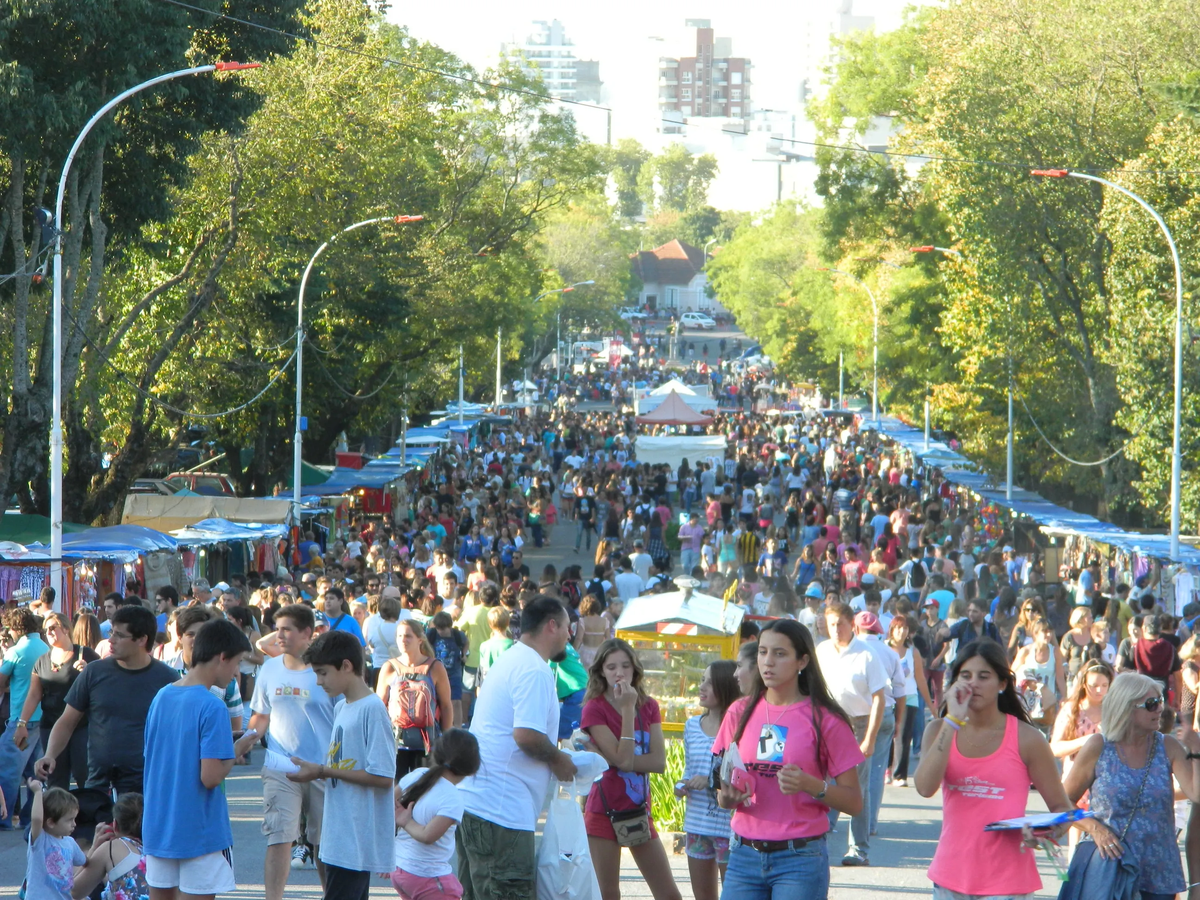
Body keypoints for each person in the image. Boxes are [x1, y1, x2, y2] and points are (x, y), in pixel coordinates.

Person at [713, 620, 866, 900]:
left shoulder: (826, 720)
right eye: (762, 652)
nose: (768, 662)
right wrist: (727, 798)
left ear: (802, 661)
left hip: (800, 859)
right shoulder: (739, 712)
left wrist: (812, 785)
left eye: (780, 653)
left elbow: (855, 802)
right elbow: (720, 789)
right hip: (743, 855)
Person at [915, 640, 1075, 900]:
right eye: (965, 676)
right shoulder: (938, 730)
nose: (973, 683)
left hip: (1008, 883)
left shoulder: (1028, 739)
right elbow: (924, 787)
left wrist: (1045, 832)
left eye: (984, 676)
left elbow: (1062, 809)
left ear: (1002, 684)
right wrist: (952, 721)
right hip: (950, 878)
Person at [455, 596, 577, 900]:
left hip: (481, 805)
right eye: (566, 627)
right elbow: (526, 735)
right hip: (502, 813)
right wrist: (560, 759)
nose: (569, 635)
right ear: (552, 626)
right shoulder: (533, 669)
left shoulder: (513, 658)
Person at [142, 618, 256, 900]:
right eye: (237, 662)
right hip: (199, 829)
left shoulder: (161, 696)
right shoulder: (212, 705)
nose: (236, 672)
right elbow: (211, 776)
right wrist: (238, 748)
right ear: (222, 657)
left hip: (159, 825)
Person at [1062, 672, 1200, 900]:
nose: (1160, 710)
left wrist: (1194, 750)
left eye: (1161, 702)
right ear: (1125, 707)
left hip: (1158, 874)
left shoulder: (1168, 746)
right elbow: (1062, 802)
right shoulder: (1098, 746)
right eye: (1151, 704)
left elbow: (1196, 793)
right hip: (1110, 870)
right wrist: (1095, 829)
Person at [289, 630, 397, 900]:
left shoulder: (372, 709)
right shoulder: (342, 707)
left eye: (323, 673)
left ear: (347, 665)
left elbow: (383, 775)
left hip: (355, 837)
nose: (319, 681)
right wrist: (318, 770)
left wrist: (323, 771)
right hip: (338, 832)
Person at [36, 605, 179, 796]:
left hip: (145, 785)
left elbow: (176, 732)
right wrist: (50, 755)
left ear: (142, 639)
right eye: (112, 632)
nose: (110, 640)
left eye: (119, 635)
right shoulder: (94, 672)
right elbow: (67, 721)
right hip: (99, 783)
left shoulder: (167, 679)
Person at [247, 604, 337, 898]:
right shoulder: (270, 669)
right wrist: (246, 740)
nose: (279, 635)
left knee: (324, 842)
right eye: (277, 628)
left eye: (286, 629)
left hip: (323, 767)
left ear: (307, 633)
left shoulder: (325, 671)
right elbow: (261, 716)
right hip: (280, 765)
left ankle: (330, 894)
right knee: (279, 836)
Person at [581, 638, 680, 900]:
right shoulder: (595, 708)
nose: (619, 672)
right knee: (609, 893)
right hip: (603, 809)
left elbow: (657, 761)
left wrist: (610, 757)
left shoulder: (649, 706)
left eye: (625, 665)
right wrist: (626, 710)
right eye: (611, 667)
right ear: (601, 671)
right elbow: (624, 760)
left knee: (669, 894)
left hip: (637, 809)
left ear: (635, 669)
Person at [815, 602, 886, 866]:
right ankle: (817, 835)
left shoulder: (867, 654)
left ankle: (859, 848)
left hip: (857, 724)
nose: (835, 629)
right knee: (821, 781)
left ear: (851, 624)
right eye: (831, 624)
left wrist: (869, 737)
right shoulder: (821, 651)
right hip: (826, 723)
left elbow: (879, 698)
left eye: (840, 624)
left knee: (858, 788)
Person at [13, 613, 98, 793]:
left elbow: (105, 683)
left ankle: (87, 818)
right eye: (46, 629)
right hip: (51, 726)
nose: (49, 632)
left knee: (84, 776)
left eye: (53, 628)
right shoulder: (42, 661)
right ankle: (57, 819)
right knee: (55, 779)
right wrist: (22, 723)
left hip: (81, 726)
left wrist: (90, 671)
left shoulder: (85, 654)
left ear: (66, 628)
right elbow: (34, 695)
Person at [390, 728, 479, 900]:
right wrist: (406, 821)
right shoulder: (453, 799)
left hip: (400, 870)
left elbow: (388, 805)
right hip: (428, 877)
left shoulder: (416, 775)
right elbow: (427, 835)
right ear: (472, 768)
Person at [677, 660, 738, 900]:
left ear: (726, 686)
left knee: (733, 894)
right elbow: (689, 769)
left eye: (710, 683)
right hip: (696, 825)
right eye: (702, 680)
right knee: (702, 895)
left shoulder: (740, 728)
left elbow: (744, 778)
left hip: (728, 828)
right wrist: (682, 785)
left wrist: (711, 782)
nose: (701, 687)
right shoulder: (692, 726)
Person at [376, 620, 453, 780]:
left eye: (408, 636)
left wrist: (446, 742)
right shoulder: (390, 667)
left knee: (423, 791)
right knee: (396, 793)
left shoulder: (435, 667)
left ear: (420, 639)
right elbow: (379, 707)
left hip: (427, 744)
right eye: (400, 636)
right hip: (396, 743)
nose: (403, 640)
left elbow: (446, 706)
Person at [0, 607, 50, 826]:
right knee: (34, 773)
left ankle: (4, 817)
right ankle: (30, 819)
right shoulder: (45, 647)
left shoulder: (16, 651)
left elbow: (0, 681)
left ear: (16, 628)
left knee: (7, 772)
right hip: (43, 716)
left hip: (21, 717)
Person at [885, 615, 935, 788]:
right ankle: (887, 768)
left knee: (904, 736)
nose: (901, 632)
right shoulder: (883, 649)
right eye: (898, 628)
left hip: (909, 697)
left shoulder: (913, 652)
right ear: (892, 630)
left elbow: (920, 679)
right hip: (887, 697)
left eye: (905, 628)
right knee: (887, 734)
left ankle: (900, 774)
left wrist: (932, 706)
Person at [72, 792, 150, 900]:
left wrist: (94, 848)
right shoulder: (160, 851)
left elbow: (72, 892)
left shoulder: (112, 848)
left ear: (115, 825)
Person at [23, 778, 83, 900]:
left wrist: (97, 841)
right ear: (51, 822)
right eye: (69, 820)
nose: (74, 824)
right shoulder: (41, 839)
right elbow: (37, 819)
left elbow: (84, 862)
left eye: (74, 819)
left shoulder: (70, 843)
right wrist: (38, 792)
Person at [426, 612, 467, 728]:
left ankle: (458, 726)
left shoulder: (457, 635)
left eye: (443, 629)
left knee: (456, 701)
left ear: (449, 626)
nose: (440, 631)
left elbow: (466, 642)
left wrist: (464, 653)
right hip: (436, 672)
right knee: (436, 700)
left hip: (454, 673)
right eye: (438, 628)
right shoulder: (432, 634)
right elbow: (424, 644)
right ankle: (437, 724)